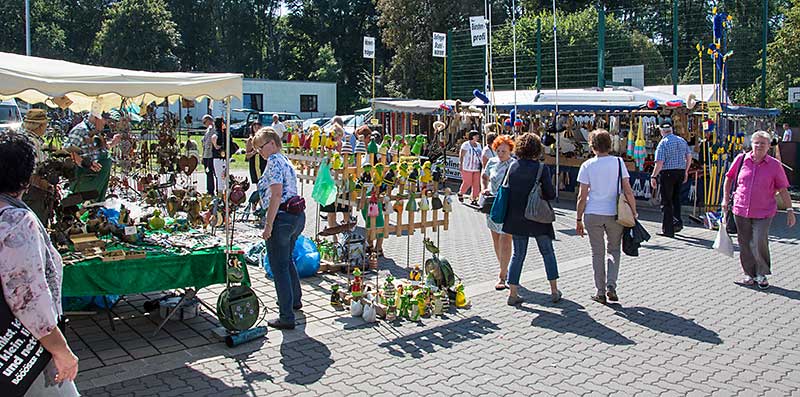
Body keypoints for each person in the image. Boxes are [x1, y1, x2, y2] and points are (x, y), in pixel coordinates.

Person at [0, 135, 80, 396]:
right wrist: (60, 349)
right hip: (19, 346)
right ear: (25, 178)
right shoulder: (15, 221)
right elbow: (27, 296)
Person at [723, 131, 796, 290]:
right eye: (756, 143)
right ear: (752, 144)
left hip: (764, 211)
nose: (759, 146)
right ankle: (749, 273)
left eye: (763, 143)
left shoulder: (774, 165)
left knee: (759, 241)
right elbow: (729, 178)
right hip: (741, 209)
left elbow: (783, 189)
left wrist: (790, 209)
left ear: (769, 146)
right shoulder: (741, 159)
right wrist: (725, 199)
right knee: (744, 243)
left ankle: (762, 273)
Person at [575, 129, 638, 304]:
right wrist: (633, 211)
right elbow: (628, 190)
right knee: (614, 250)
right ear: (609, 145)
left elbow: (582, 195)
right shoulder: (618, 162)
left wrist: (578, 218)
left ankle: (600, 291)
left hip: (592, 213)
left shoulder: (587, 165)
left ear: (592, 146)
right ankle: (611, 285)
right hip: (614, 213)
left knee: (597, 253)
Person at [255, 127, 305, 330]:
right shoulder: (285, 160)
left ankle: (286, 316)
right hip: (295, 217)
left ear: (272, 143)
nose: (260, 151)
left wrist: (268, 225)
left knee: (279, 267)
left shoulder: (274, 161)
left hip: (282, 218)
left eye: (261, 146)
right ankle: (294, 301)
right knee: (287, 260)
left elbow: (276, 194)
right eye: (257, 148)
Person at [502, 133, 561, 305]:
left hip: (516, 217)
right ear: (537, 149)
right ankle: (554, 290)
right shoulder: (541, 169)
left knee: (518, 254)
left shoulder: (512, 166)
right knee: (547, 252)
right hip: (538, 217)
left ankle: (513, 293)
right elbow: (551, 194)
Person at [481, 135, 514, 290]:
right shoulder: (492, 162)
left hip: (507, 204)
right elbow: (484, 175)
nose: (501, 153)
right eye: (498, 150)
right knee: (495, 236)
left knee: (506, 238)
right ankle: (503, 267)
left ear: (510, 151)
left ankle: (502, 275)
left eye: (504, 151)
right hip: (493, 203)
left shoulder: (513, 164)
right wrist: (484, 187)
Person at [650, 122, 692, 237]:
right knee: (676, 199)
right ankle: (677, 222)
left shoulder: (663, 143)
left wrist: (653, 176)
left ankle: (668, 229)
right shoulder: (682, 140)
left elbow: (659, 162)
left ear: (662, 131)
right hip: (680, 172)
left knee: (667, 201)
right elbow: (689, 156)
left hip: (668, 173)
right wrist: (686, 171)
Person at [64, 109, 112, 201]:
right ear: (96, 117)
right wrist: (86, 163)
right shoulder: (80, 130)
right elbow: (67, 152)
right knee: (79, 209)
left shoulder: (95, 131)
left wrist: (112, 143)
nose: (106, 123)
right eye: (104, 120)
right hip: (85, 179)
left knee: (93, 209)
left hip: (98, 179)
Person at [459, 130, 483, 205]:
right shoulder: (466, 145)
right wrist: (460, 164)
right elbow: (461, 155)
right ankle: (461, 193)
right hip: (467, 167)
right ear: (472, 136)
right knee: (467, 182)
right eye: (476, 136)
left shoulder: (479, 145)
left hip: (477, 168)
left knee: (476, 184)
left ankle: (474, 198)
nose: (478, 137)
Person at [211, 117, 229, 195]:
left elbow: (216, 146)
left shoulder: (219, 135)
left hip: (220, 158)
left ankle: (222, 193)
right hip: (222, 158)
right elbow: (217, 146)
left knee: (221, 176)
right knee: (222, 176)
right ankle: (222, 193)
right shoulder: (222, 135)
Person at [200, 114, 216, 195]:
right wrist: (203, 156)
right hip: (206, 155)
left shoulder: (214, 129)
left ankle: (212, 190)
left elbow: (210, 142)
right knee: (208, 173)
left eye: (204, 122)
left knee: (211, 173)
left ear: (209, 120)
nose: (204, 124)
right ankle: (209, 189)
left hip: (211, 155)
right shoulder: (207, 130)